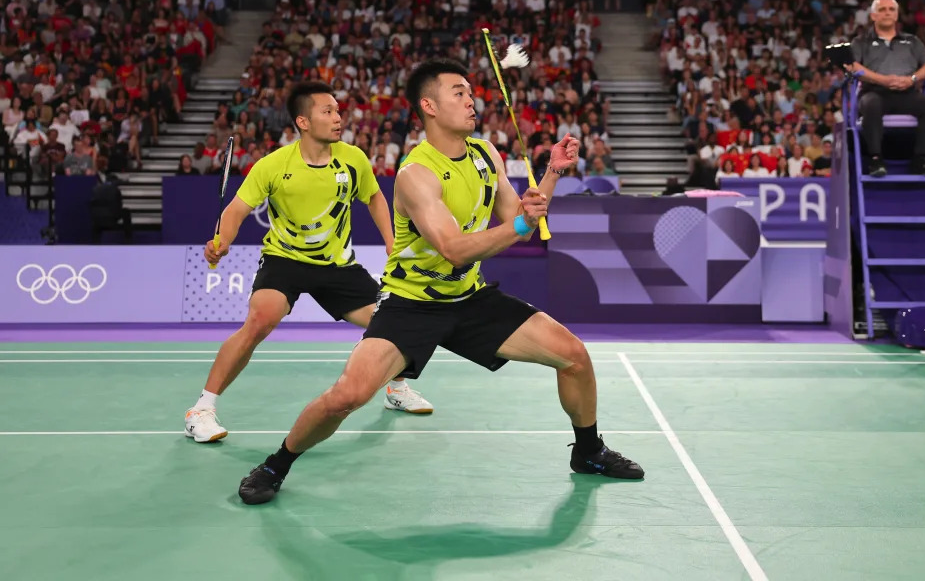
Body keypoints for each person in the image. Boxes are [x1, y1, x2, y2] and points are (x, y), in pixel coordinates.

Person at [236, 59, 644, 504]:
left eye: (471, 92)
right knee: (346, 396)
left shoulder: (486, 153)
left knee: (574, 356)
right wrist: (521, 226)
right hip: (410, 304)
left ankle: (588, 452)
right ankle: (278, 462)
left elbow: (515, 218)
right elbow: (455, 247)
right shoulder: (416, 174)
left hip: (469, 298)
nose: (472, 100)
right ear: (428, 106)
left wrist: (550, 173)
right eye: (459, 92)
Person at [185, 81, 433, 444]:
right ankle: (201, 410)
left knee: (397, 322)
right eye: (328, 111)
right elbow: (237, 210)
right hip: (285, 259)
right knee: (259, 321)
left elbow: (376, 198)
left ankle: (395, 388)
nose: (338, 117)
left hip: (338, 266)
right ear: (303, 121)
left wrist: (392, 242)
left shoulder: (353, 159)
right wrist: (221, 242)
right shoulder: (274, 165)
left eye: (337, 110)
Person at [847, 0, 925, 178]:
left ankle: (921, 160)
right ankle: (875, 160)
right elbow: (851, 65)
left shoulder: (912, 41)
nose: (887, 13)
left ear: (897, 15)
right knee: (871, 104)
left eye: (891, 9)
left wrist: (912, 79)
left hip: (907, 93)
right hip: (874, 92)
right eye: (882, 10)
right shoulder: (861, 41)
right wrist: (881, 79)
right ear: (873, 15)